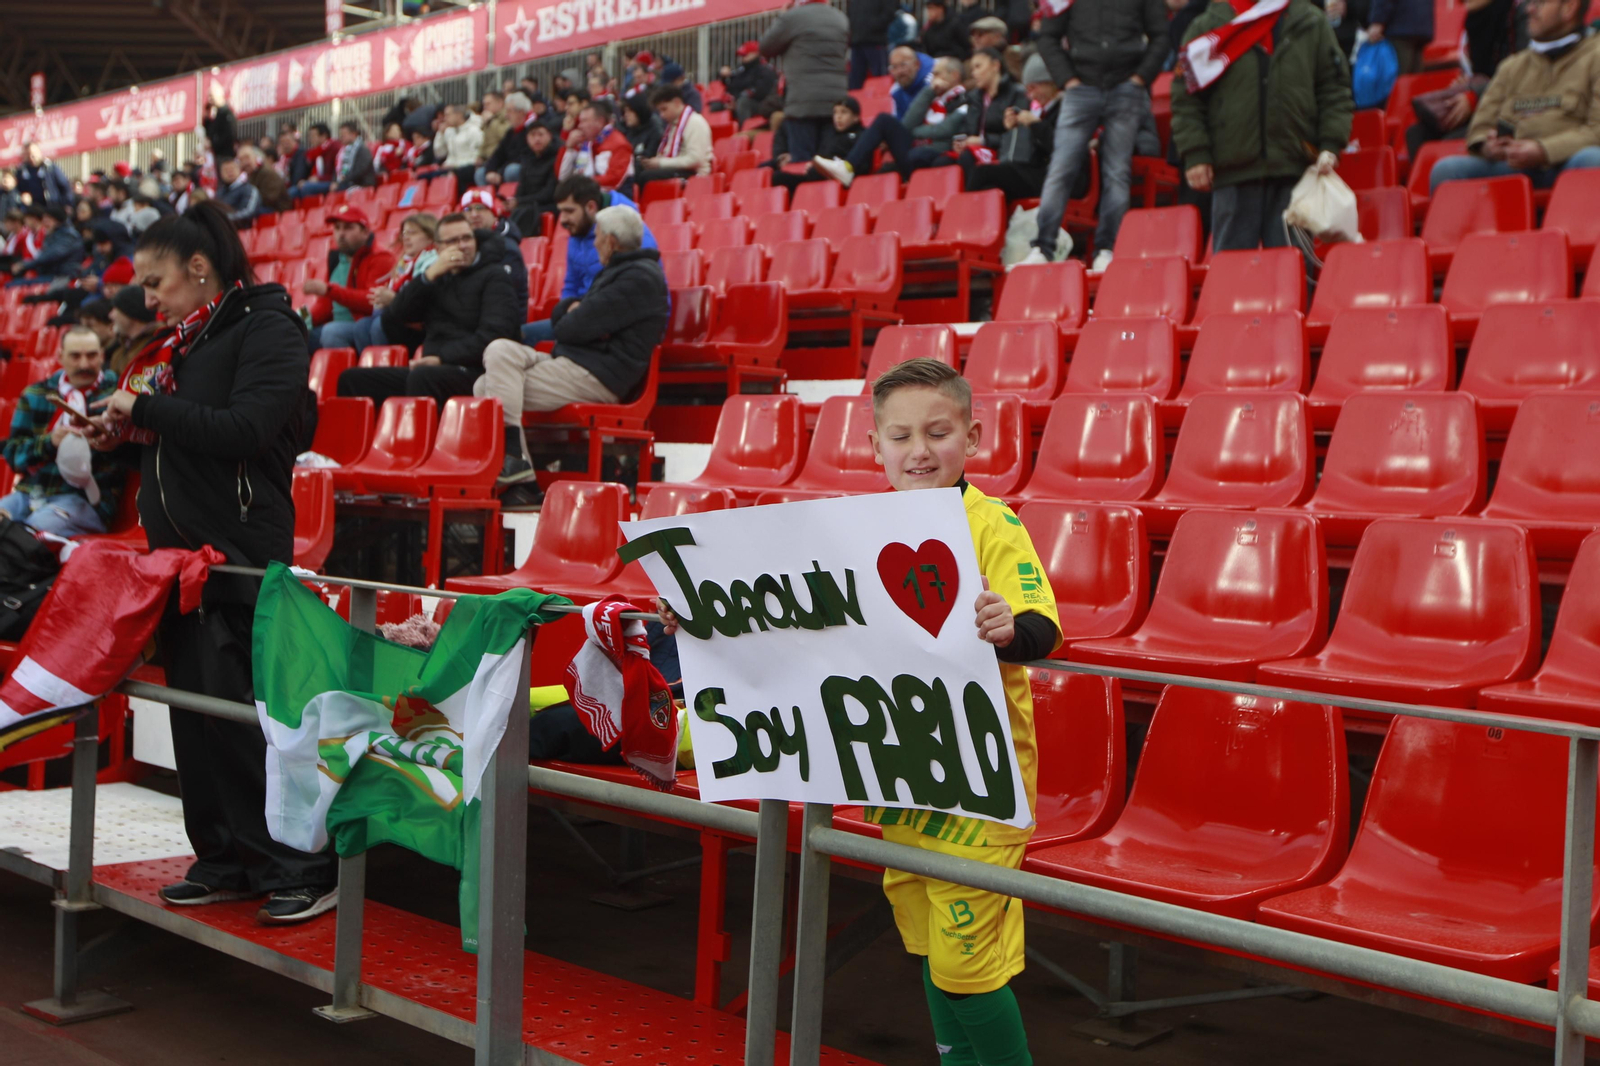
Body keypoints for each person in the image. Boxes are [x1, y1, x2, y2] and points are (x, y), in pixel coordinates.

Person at [661, 356, 1060, 1065]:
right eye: (901, 437)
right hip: (901, 784)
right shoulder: (853, 532)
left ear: (972, 438)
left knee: (969, 970)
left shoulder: (992, 523)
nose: (920, 450)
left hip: (980, 792)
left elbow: (1042, 626)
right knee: (936, 956)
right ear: (875, 448)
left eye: (938, 433)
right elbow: (790, 626)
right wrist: (700, 616)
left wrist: (1009, 627)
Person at [87, 201, 337, 923]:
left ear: (200, 270)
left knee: (256, 725)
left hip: (241, 558)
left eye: (157, 281)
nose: (148, 298)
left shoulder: (269, 329)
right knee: (199, 724)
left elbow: (244, 431)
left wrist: (143, 411)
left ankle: (302, 867)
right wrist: (127, 437)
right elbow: (186, 443)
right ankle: (228, 858)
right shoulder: (185, 345)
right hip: (180, 561)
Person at [478, 205, 669, 509]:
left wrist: (572, 316)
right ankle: (516, 462)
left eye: (597, 237)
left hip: (598, 376)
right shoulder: (617, 272)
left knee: (486, 388)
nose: (593, 243)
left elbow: (571, 326)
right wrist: (571, 315)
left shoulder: (639, 278)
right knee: (499, 349)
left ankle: (522, 478)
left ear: (610, 241)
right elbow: (565, 312)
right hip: (570, 363)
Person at [1171, 0, 1353, 252]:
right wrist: (1195, 153)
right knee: (1232, 280)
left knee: (1293, 279)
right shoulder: (1206, 26)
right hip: (1232, 172)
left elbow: (1334, 89)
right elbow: (1186, 99)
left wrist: (1331, 143)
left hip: (1295, 172)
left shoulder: (1310, 20)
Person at [1011, 0, 1167, 272]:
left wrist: (1141, 78)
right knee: (1061, 166)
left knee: (1117, 171)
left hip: (1125, 86)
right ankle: (1043, 247)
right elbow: (1047, 36)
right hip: (1081, 87)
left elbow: (1161, 34)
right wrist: (1067, 79)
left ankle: (1106, 249)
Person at [340, 212, 520, 408]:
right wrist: (428, 276)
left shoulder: (495, 276)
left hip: (478, 370)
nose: (462, 246)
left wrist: (442, 358)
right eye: (453, 241)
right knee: (352, 380)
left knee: (422, 377)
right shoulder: (437, 278)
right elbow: (396, 316)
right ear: (438, 248)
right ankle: (378, 438)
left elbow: (495, 338)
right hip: (434, 368)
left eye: (467, 238)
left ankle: (416, 438)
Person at [1428, 0, 1600, 193]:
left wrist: (1542, 150)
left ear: (1569, 8)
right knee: (1446, 170)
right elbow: (1479, 129)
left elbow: (1597, 131)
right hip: (1514, 166)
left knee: (1593, 159)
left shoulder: (1595, 56)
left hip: (1568, 163)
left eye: (1539, 3)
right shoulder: (1512, 66)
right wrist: (1488, 146)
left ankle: (1574, 223)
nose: (1529, 9)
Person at [814, 49, 1027, 186]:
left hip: (934, 153)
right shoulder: (933, 97)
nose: (933, 80)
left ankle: (849, 168)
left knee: (913, 150)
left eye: (938, 74)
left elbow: (944, 131)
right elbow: (906, 124)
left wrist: (913, 132)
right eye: (933, 75)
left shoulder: (964, 99)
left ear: (954, 76)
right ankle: (848, 167)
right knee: (883, 122)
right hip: (917, 150)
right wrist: (929, 92)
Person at [2, 327, 124, 537]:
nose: (84, 364)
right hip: (30, 493)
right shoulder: (35, 394)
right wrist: (49, 443)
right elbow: (13, 454)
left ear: (102, 356)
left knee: (25, 537)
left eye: (92, 355)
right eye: (75, 356)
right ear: (60, 356)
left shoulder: (116, 395)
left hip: (87, 501)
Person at [520, 176, 657, 347]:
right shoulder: (578, 230)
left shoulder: (628, 232)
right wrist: (567, 313)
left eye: (569, 211)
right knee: (515, 337)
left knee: (520, 342)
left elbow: (631, 296)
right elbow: (572, 283)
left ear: (591, 207)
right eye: (560, 211)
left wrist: (577, 319)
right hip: (586, 318)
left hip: (615, 328)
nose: (562, 220)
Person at [963, 54, 1067, 201]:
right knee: (990, 189)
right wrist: (1013, 128)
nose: (1030, 96)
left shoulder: (1067, 109)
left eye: (1033, 88)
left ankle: (962, 218)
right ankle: (980, 223)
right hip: (1041, 172)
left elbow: (1062, 148)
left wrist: (1034, 124)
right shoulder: (1044, 110)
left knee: (984, 172)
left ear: (1049, 83)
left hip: (1059, 178)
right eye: (1028, 90)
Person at [760, 0, 852, 163]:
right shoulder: (841, 18)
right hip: (836, 101)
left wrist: (782, 17)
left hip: (803, 102)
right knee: (828, 164)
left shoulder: (791, 18)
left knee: (802, 164)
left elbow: (766, 47)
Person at [305, 205, 398, 352]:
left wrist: (330, 290)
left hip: (362, 324)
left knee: (331, 332)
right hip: (336, 324)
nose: (341, 234)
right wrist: (300, 319)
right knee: (293, 335)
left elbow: (372, 302)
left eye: (348, 228)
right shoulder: (336, 258)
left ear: (365, 232)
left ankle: (343, 374)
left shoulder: (381, 257)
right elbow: (324, 306)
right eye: (337, 228)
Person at [637, 86, 714, 183]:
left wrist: (661, 163)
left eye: (664, 109)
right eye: (659, 111)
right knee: (639, 170)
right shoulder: (672, 125)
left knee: (646, 176)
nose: (661, 115)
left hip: (695, 175)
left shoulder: (695, 122)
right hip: (679, 170)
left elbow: (695, 159)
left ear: (677, 102)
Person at [556, 100, 636, 192]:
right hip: (585, 195)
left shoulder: (619, 144)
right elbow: (562, 177)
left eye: (584, 121)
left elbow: (614, 181)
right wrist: (569, 148)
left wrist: (581, 183)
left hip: (613, 201)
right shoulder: (583, 143)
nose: (580, 126)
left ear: (600, 121)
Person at [511, 123, 562, 239]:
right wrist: (515, 200)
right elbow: (522, 186)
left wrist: (519, 201)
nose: (537, 139)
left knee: (525, 212)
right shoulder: (527, 157)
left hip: (550, 204)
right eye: (533, 135)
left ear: (549, 136)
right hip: (530, 203)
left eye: (540, 134)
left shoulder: (557, 156)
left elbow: (549, 193)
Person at [7, 206, 81, 284]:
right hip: (50, 273)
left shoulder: (68, 236)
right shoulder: (53, 235)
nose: (44, 223)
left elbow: (51, 255)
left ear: (56, 221)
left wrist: (24, 265)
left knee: (13, 285)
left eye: (47, 220)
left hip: (63, 276)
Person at [107, 280, 166, 375]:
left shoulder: (154, 350)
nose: (111, 315)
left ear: (130, 313)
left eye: (116, 309)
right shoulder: (120, 351)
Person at [481, 92, 537, 186]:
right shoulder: (511, 132)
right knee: (481, 173)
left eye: (509, 111)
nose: (506, 115)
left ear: (521, 112)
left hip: (528, 169)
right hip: (505, 168)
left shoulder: (532, 130)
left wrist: (500, 173)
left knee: (511, 171)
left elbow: (523, 158)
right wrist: (490, 170)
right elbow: (498, 154)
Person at [1367, 0, 1436, 74]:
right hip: (1420, 24)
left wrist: (1378, 20)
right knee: (1414, 78)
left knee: (1397, 77)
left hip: (1399, 27)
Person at [724, 40, 782, 124]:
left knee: (743, 103)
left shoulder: (766, 70)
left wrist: (738, 99)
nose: (742, 58)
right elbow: (732, 87)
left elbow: (761, 91)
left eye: (744, 55)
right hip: (741, 102)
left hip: (763, 105)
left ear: (755, 54)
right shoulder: (742, 71)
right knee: (718, 105)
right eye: (741, 56)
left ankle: (743, 132)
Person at [850, 0, 901, 88]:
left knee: (880, 79)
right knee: (855, 81)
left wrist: (872, 26)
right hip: (857, 42)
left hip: (875, 40)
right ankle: (855, 101)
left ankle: (882, 101)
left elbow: (890, 13)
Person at [289, 123, 340, 200]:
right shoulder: (313, 154)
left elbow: (336, 173)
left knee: (307, 187)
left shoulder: (334, 148)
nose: (310, 139)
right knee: (292, 192)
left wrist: (319, 179)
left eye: (313, 136)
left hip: (330, 182)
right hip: (316, 181)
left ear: (323, 136)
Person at [16, 142, 74, 206]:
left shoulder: (50, 168)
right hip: (32, 209)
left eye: (33, 153)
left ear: (39, 152)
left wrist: (67, 204)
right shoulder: (21, 171)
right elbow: (16, 190)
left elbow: (65, 185)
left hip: (51, 206)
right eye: (28, 154)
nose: (31, 156)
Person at [215, 157, 263, 228]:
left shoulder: (249, 190)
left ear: (239, 170)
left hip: (243, 231)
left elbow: (249, 212)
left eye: (232, 169)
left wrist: (223, 219)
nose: (229, 172)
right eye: (226, 170)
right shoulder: (219, 193)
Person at [889, 45, 935, 119]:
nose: (899, 71)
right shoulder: (895, 91)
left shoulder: (933, 83)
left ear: (917, 64)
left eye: (903, 65)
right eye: (894, 67)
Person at [332, 120, 377, 191]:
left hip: (361, 185)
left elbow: (359, 172)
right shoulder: (343, 151)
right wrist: (334, 181)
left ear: (353, 134)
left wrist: (342, 180)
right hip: (345, 182)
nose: (341, 137)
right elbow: (337, 169)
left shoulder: (363, 150)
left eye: (343, 135)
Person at [621, 93, 666, 162]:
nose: (626, 115)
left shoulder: (655, 132)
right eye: (625, 111)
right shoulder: (629, 131)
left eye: (630, 111)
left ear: (639, 111)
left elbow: (646, 158)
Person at [202, 84, 238, 161]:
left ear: (219, 95)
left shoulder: (226, 114)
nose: (209, 99)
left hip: (226, 156)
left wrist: (214, 144)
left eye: (211, 96)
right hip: (217, 156)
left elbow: (230, 135)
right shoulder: (215, 114)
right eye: (208, 96)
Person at [478, 91, 512, 170]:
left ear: (500, 103)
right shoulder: (488, 118)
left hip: (503, 159)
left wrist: (492, 121)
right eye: (484, 104)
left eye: (488, 104)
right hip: (488, 159)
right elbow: (485, 141)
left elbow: (505, 134)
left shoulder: (507, 115)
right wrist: (480, 155)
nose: (485, 107)